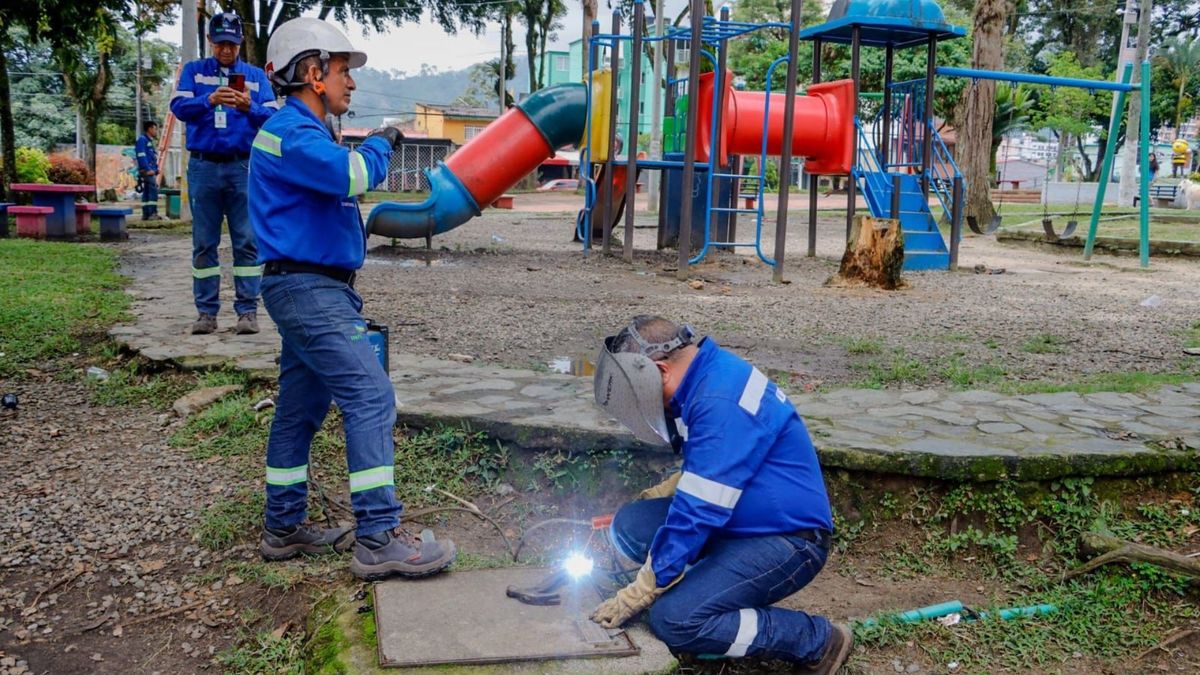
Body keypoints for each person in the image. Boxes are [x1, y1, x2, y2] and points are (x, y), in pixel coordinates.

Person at [249, 17, 454, 581]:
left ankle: (283, 526)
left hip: (312, 288)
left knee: (299, 409)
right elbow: (356, 174)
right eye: (343, 71)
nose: (351, 83)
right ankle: (377, 537)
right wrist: (385, 142)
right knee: (370, 395)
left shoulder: (304, 134)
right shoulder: (290, 134)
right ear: (312, 73)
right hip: (309, 291)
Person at [590, 316, 851, 673]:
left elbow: (697, 513)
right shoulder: (705, 375)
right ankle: (700, 589)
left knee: (675, 621)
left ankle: (814, 639)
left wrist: (642, 590)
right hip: (743, 520)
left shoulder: (718, 399)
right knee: (632, 525)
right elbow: (716, 466)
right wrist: (669, 491)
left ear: (660, 371)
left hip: (790, 542)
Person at [169, 12, 277, 336]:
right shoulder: (194, 72)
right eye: (220, 45)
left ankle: (247, 312)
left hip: (242, 166)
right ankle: (206, 313)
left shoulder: (256, 77)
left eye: (231, 44)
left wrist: (249, 107)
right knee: (204, 243)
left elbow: (272, 117)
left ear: (240, 43)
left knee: (246, 241)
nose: (226, 51)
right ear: (210, 42)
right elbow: (178, 108)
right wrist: (209, 100)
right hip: (203, 166)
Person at [135, 121, 162, 221]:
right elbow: (141, 156)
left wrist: (156, 169)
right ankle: (152, 213)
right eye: (155, 129)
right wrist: (148, 169)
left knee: (147, 191)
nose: (156, 131)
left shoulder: (148, 141)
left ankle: (146, 214)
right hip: (147, 171)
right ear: (150, 129)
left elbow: (151, 157)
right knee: (152, 192)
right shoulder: (142, 140)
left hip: (151, 170)